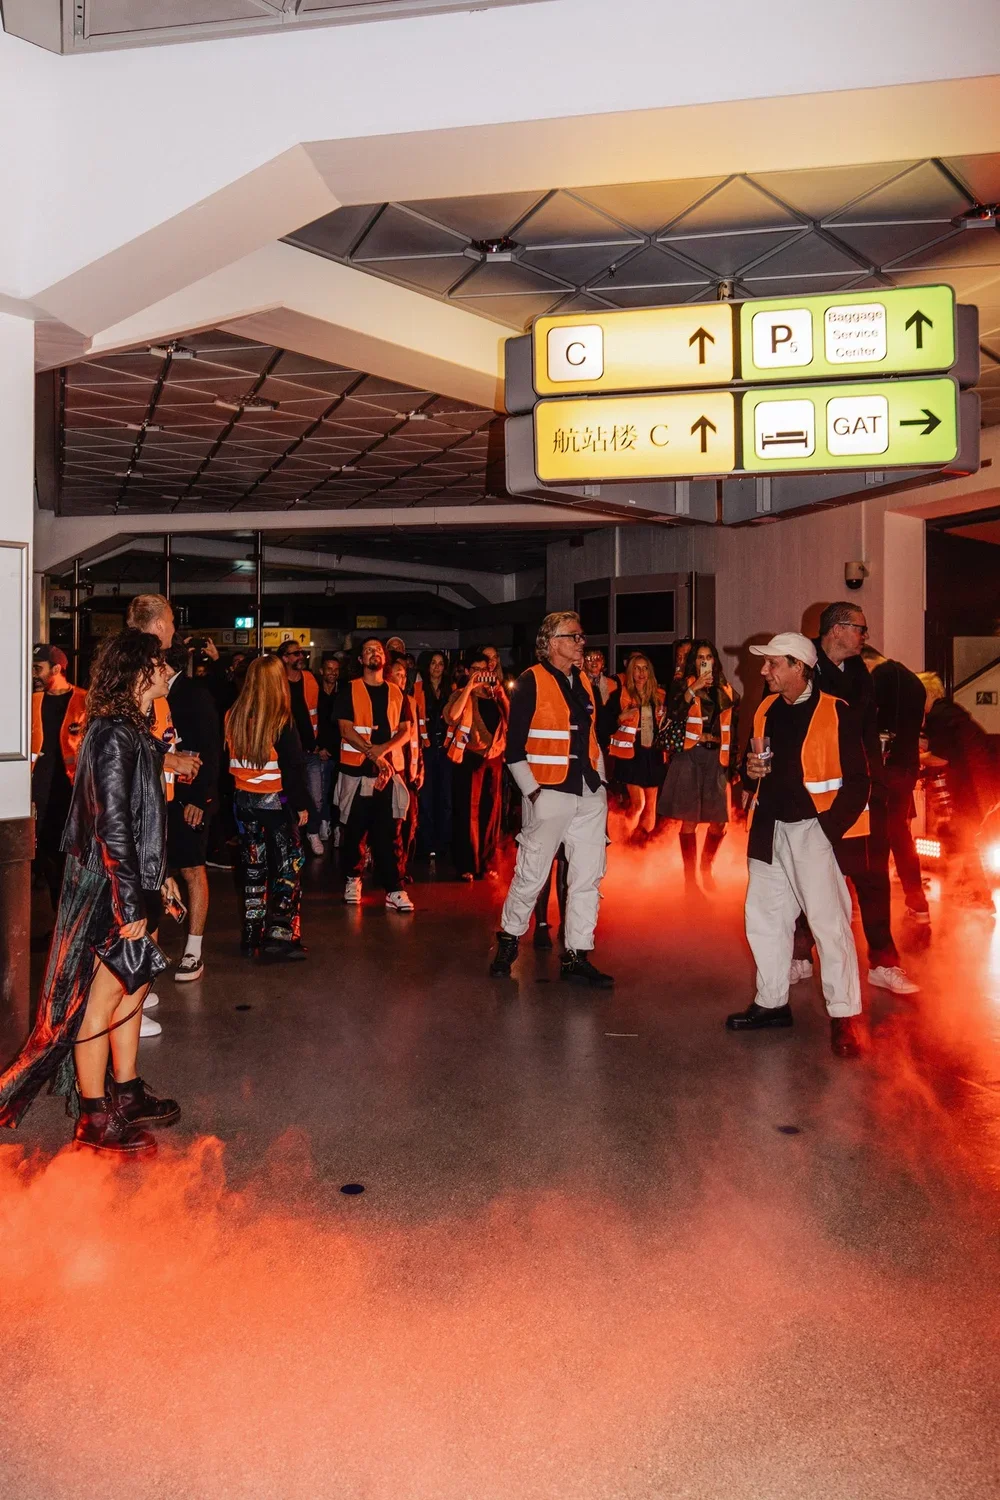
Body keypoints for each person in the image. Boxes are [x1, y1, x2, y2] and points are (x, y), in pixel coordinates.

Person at [0, 629, 182, 1153]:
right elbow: (113, 824)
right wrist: (130, 901)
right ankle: (94, 1116)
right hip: (107, 880)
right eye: (157, 661)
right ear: (136, 672)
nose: (165, 668)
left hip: (127, 876)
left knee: (133, 984)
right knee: (96, 1001)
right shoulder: (112, 732)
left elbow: (142, 816)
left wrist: (158, 876)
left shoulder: (132, 728)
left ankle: (124, 1093)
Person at [726, 632, 869, 1059]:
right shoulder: (766, 708)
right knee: (764, 918)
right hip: (768, 827)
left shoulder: (836, 712)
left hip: (813, 831)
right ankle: (772, 1004)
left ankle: (845, 1016)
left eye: (772, 664)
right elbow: (753, 771)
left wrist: (828, 831)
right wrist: (749, 772)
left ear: (798, 667)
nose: (764, 671)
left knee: (829, 925)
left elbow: (859, 782)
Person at [792, 601, 918, 997]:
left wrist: (879, 784)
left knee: (874, 878)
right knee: (808, 880)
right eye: (860, 629)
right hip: (813, 796)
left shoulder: (862, 674)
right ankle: (799, 954)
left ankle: (883, 962)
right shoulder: (799, 667)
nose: (866, 637)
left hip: (862, 795)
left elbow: (867, 734)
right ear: (836, 630)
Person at [490, 611, 613, 988]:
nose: (582, 643)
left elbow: (592, 740)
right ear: (553, 642)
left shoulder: (585, 684)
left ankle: (577, 953)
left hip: (588, 793)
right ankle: (509, 940)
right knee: (532, 873)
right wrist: (534, 793)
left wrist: (602, 784)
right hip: (548, 793)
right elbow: (513, 751)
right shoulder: (530, 681)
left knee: (588, 877)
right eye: (575, 637)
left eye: (581, 636)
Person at [125, 594, 201, 1034]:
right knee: (140, 902)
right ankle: (127, 998)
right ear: (156, 626)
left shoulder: (150, 675)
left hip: (157, 805)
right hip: (140, 812)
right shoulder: (139, 674)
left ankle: (137, 987)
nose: (174, 629)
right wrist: (170, 762)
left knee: (152, 895)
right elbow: (127, 750)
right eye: (170, 621)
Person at [225, 655, 309, 961]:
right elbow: (293, 767)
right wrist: (300, 805)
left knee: (253, 867)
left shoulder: (233, 715)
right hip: (276, 803)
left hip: (243, 803)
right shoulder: (281, 719)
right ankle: (281, 933)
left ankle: (251, 933)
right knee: (288, 868)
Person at [333, 638, 414, 912]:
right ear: (360, 660)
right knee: (355, 830)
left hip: (387, 775)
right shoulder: (349, 690)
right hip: (356, 772)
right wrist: (375, 755)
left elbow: (406, 730)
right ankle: (353, 879)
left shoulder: (396, 692)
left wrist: (383, 752)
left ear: (385, 659)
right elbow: (346, 729)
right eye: (368, 649)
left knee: (390, 832)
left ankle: (394, 888)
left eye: (378, 650)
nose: (373, 653)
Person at [658, 640, 739, 891]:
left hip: (716, 758)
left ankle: (706, 867)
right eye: (700, 657)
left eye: (709, 657)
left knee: (719, 822)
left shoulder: (725, 689)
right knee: (690, 821)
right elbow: (673, 713)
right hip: (690, 757)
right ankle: (690, 879)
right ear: (694, 661)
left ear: (715, 660)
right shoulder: (684, 685)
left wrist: (733, 764)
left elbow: (731, 728)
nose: (705, 661)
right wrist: (692, 688)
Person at [861, 645, 930, 925]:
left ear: (865, 662)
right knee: (901, 836)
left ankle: (872, 912)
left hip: (884, 771)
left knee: (874, 840)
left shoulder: (878, 678)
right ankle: (918, 904)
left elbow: (867, 723)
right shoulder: (913, 680)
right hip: (907, 769)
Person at [164, 644, 220, 982]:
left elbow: (211, 748)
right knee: (158, 871)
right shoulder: (149, 695)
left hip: (190, 798)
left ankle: (194, 951)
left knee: (191, 869)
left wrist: (200, 798)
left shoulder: (194, 693)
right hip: (159, 796)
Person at [919, 672, 997, 908]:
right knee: (959, 836)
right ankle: (969, 892)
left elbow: (940, 758)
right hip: (981, 783)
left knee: (961, 837)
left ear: (928, 694)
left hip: (973, 786)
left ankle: (978, 896)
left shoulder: (939, 716)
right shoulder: (950, 713)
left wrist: (914, 757)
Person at [30, 644, 88, 912]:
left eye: (38, 668)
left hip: (71, 791)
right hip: (38, 791)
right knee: (44, 856)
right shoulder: (31, 701)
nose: (33, 674)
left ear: (56, 668)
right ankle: (57, 918)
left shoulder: (84, 700)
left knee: (67, 858)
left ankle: (67, 919)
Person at [444, 649, 508, 881]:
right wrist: (469, 687)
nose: (482, 674)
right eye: (476, 670)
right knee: (468, 810)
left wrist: (501, 694)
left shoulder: (494, 694)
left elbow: (513, 720)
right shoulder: (462, 693)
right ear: (469, 672)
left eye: (485, 670)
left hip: (494, 758)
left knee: (491, 811)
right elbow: (451, 716)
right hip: (470, 757)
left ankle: (486, 861)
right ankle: (468, 863)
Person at [610, 652, 666, 841]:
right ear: (631, 671)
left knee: (651, 807)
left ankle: (638, 845)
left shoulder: (660, 695)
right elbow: (606, 723)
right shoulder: (622, 694)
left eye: (645, 668)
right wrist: (620, 718)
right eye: (637, 668)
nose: (641, 673)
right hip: (631, 755)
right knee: (638, 804)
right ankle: (622, 838)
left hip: (652, 753)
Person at [276, 639, 324, 857]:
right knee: (290, 796)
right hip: (286, 753)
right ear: (285, 658)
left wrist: (320, 744)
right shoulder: (277, 682)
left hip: (309, 750)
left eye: (302, 653)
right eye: (295, 654)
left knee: (315, 796)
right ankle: (295, 837)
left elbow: (319, 712)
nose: (300, 657)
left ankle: (312, 832)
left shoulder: (310, 679)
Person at [387, 655, 423, 882]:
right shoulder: (385, 701)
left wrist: (420, 768)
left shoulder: (411, 701)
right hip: (392, 771)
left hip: (409, 771)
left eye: (404, 674)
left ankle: (403, 867)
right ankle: (393, 870)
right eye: (397, 674)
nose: (402, 678)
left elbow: (416, 738)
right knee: (394, 825)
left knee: (410, 823)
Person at [416, 650, 452, 859]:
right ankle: (426, 843)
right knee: (427, 797)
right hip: (426, 748)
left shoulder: (451, 689)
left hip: (446, 748)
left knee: (445, 797)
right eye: (433, 663)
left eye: (440, 663)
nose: (437, 667)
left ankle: (444, 843)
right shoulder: (419, 688)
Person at [316, 653, 342, 843]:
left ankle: (337, 826)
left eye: (336, 670)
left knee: (338, 791)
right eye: (329, 669)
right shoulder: (314, 693)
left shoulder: (343, 693)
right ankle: (324, 823)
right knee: (321, 792)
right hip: (320, 751)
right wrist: (318, 747)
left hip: (341, 751)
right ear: (321, 671)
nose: (333, 673)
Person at [583, 646, 621, 753]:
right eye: (589, 659)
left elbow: (614, 713)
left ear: (603, 662)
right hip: (584, 736)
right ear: (583, 663)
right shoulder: (580, 684)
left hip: (605, 739)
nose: (594, 663)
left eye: (597, 658)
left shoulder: (612, 685)